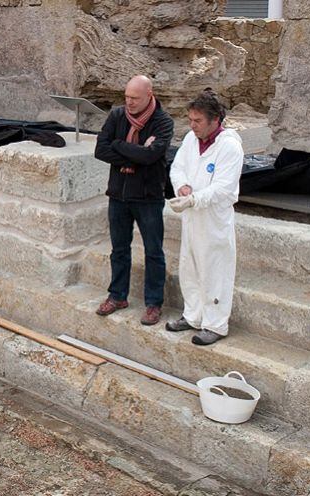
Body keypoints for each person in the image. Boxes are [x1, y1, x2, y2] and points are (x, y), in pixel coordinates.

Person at [94, 75, 175, 326]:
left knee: (153, 251)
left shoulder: (163, 122)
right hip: (118, 194)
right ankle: (117, 296)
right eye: (126, 97)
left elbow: (152, 157)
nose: (129, 102)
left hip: (148, 197)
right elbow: (100, 150)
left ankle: (153, 303)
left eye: (135, 98)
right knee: (119, 249)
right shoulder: (117, 115)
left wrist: (118, 146)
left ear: (149, 94)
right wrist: (136, 153)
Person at [166, 89, 244, 345]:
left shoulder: (230, 147)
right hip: (192, 217)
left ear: (214, 120)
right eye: (190, 120)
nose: (192, 125)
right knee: (189, 267)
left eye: (198, 121)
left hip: (214, 220)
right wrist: (183, 187)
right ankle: (193, 316)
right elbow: (178, 167)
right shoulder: (191, 139)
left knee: (215, 271)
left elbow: (223, 187)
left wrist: (195, 199)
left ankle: (215, 324)